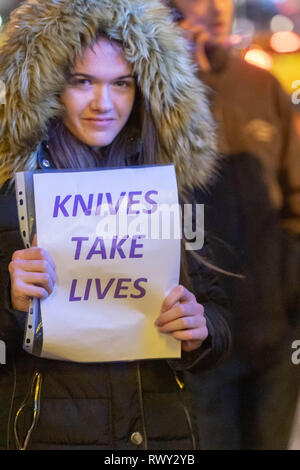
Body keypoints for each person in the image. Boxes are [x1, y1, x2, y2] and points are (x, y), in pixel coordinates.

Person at [0, 0, 231, 450]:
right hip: (45, 434)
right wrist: (11, 303)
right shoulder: (10, 192)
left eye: (121, 83)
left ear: (142, 87)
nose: (103, 103)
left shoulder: (171, 183)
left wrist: (200, 330)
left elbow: (218, 312)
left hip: (159, 435)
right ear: (49, 85)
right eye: (82, 81)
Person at [166, 0, 300, 450]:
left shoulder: (260, 84)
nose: (213, 7)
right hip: (201, 336)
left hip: (273, 330)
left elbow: (295, 198)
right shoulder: (156, 88)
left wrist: (289, 290)